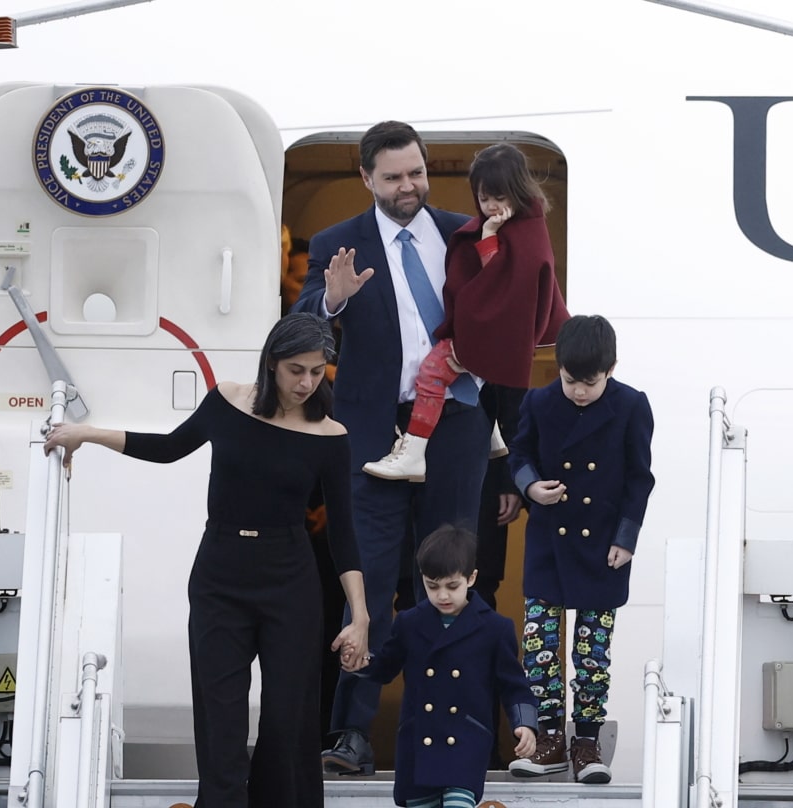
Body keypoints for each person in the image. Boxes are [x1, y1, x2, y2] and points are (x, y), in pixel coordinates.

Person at [41, 313, 370, 808]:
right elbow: (170, 447)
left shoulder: (329, 434)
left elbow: (343, 534)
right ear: (272, 363)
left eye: (317, 371)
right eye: (296, 369)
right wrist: (87, 434)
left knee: (288, 718)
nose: (306, 382)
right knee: (221, 720)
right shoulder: (227, 401)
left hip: (291, 579)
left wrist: (360, 615)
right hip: (221, 573)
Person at [292, 120, 492, 775]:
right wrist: (331, 300)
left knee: (451, 583)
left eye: (417, 173)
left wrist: (514, 460)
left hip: (457, 430)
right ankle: (351, 732)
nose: (409, 187)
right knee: (370, 587)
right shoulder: (335, 245)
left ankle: (456, 727)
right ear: (366, 179)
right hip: (374, 437)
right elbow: (294, 337)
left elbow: (518, 330)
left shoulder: (468, 234)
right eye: (394, 177)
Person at [505, 315, 655, 785]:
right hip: (550, 538)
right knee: (540, 646)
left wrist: (626, 538)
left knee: (593, 650)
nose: (579, 391)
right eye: (570, 380)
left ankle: (586, 741)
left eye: (590, 382)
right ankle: (548, 738)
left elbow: (639, 478)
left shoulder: (632, 405)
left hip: (605, 544)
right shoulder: (540, 400)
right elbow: (519, 454)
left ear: (611, 369)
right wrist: (531, 488)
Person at [363, 143, 569, 482]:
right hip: (496, 335)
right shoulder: (527, 225)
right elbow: (503, 287)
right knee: (475, 381)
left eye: (499, 197)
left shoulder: (515, 232)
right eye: (484, 197)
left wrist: (470, 338)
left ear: (516, 191)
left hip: (488, 334)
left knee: (432, 372)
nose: (491, 206)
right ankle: (493, 438)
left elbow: (499, 287)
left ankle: (413, 452)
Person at [354, 525, 537, 808]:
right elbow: (386, 667)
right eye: (432, 585)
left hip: (465, 740)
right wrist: (360, 660)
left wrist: (525, 724)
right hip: (419, 739)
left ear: (471, 578)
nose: (442, 596)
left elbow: (514, 685)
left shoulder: (495, 627)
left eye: (452, 586)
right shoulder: (409, 622)